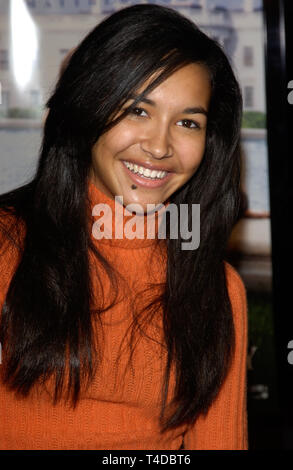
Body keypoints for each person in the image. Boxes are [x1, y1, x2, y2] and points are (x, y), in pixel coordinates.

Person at [0, 4, 248, 450]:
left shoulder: (216, 289)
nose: (158, 146)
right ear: (88, 110)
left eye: (188, 122)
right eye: (137, 111)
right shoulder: (6, 248)